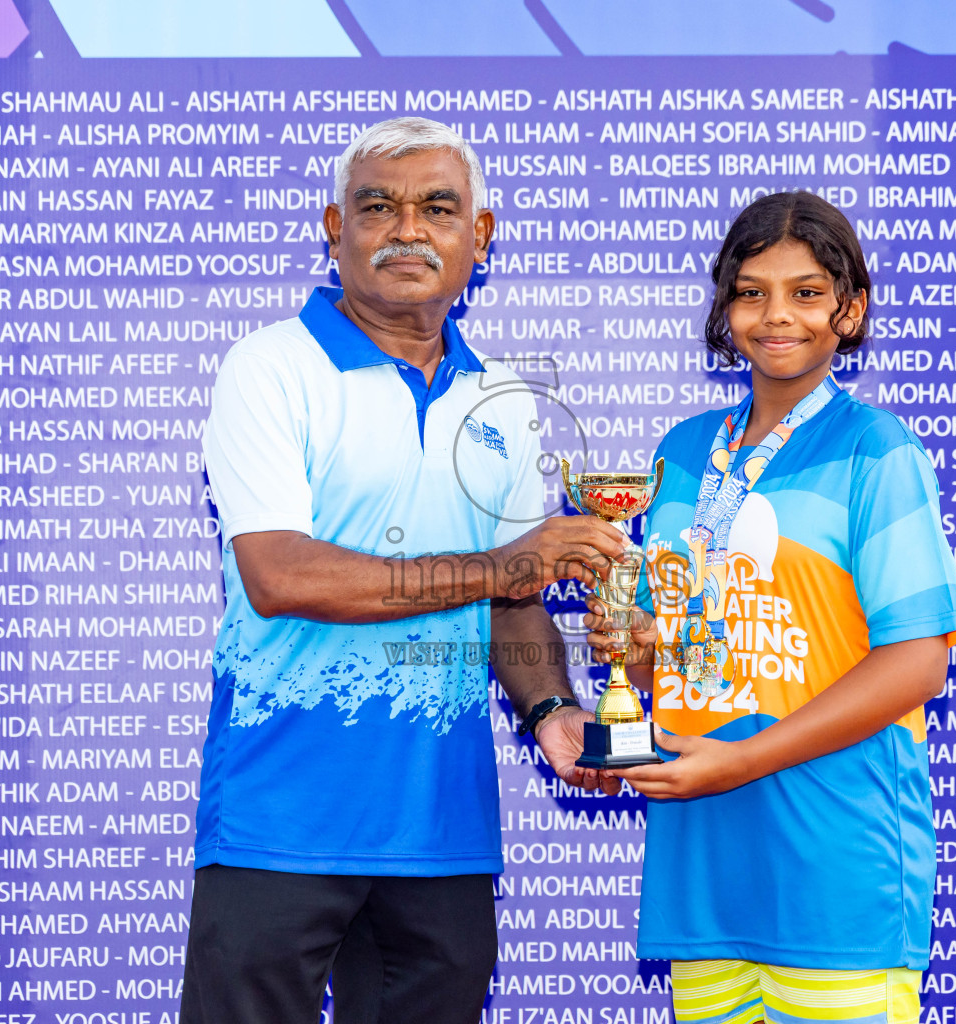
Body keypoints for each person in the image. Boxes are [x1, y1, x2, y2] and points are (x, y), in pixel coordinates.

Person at [183, 116, 626, 1024]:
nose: (407, 230)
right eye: (377, 207)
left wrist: (553, 711)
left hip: (441, 834)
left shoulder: (501, 398)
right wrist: (502, 563)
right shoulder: (270, 368)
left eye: (437, 207)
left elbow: (515, 598)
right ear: (333, 229)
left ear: (481, 236)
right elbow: (282, 574)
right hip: (282, 821)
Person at [586, 191, 956, 1024]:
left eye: (806, 292)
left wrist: (741, 760)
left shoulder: (878, 448)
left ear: (850, 309)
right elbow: (677, 659)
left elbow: (918, 659)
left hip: (836, 869)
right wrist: (632, 641)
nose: (776, 315)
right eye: (752, 290)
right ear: (726, 305)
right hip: (704, 871)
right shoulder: (682, 451)